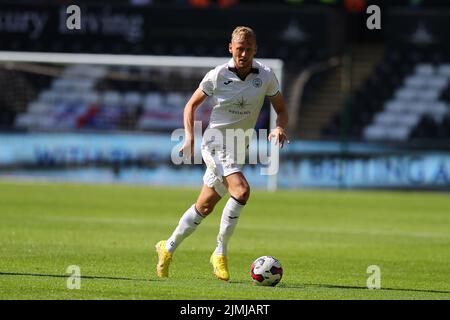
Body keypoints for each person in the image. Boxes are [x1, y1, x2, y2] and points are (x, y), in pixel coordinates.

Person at [155, 26, 289, 281]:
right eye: (239, 49)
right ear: (231, 48)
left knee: (204, 206)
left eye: (249, 49)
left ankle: (167, 246)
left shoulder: (267, 75)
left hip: (239, 147)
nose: (244, 54)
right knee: (241, 190)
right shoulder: (217, 75)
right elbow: (191, 105)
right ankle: (220, 252)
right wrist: (190, 136)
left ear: (255, 50)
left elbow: (281, 109)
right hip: (215, 143)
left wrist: (280, 126)